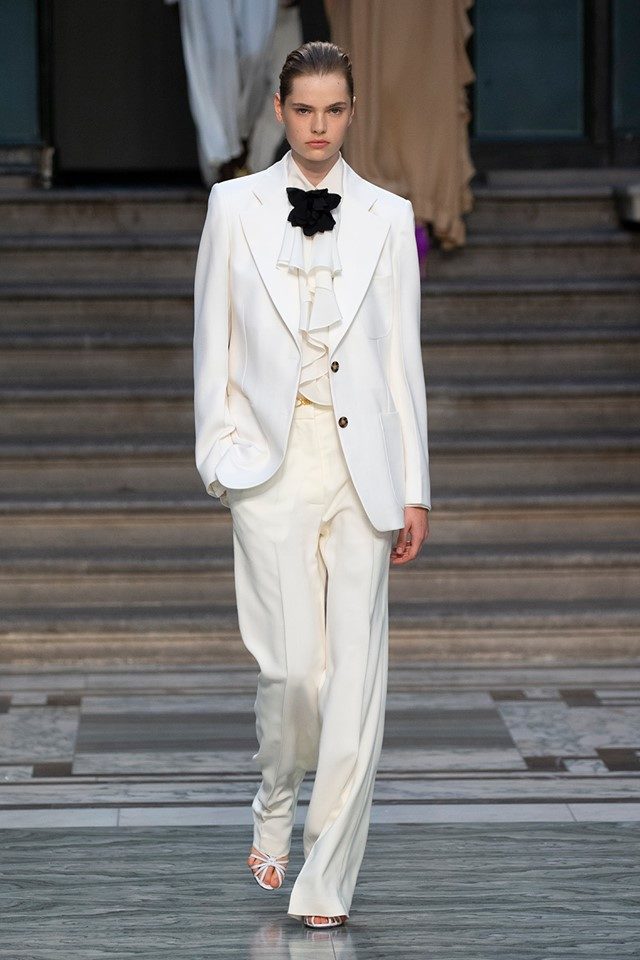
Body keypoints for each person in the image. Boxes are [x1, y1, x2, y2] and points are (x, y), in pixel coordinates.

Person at [192, 40, 431, 929]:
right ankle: (274, 796)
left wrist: (415, 484)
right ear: (281, 111)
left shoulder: (389, 217)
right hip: (270, 462)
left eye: (334, 110)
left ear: (351, 111)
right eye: (304, 110)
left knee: (355, 686)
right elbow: (211, 339)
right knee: (294, 674)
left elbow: (401, 360)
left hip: (363, 472)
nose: (319, 127)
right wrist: (219, 455)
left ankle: (327, 879)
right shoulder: (234, 206)